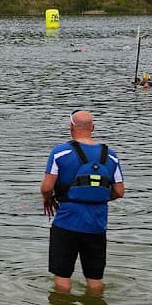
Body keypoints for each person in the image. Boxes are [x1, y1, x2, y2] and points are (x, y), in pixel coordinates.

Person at [40, 110, 125, 294]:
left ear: (71, 127)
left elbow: (47, 187)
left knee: (62, 278)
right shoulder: (111, 155)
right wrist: (98, 197)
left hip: (67, 222)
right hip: (97, 224)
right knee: (95, 279)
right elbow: (119, 191)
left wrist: (47, 199)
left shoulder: (59, 152)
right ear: (92, 128)